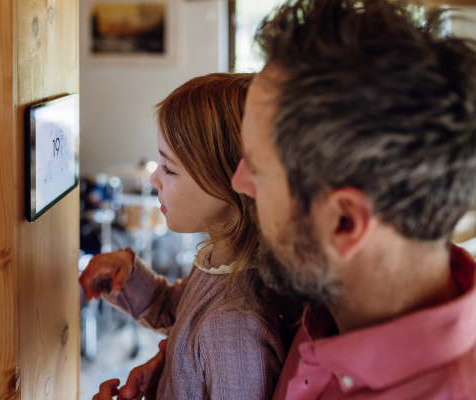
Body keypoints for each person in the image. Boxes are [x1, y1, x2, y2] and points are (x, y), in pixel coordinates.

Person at [97, 0, 476, 398]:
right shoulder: (325, 293)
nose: (238, 184)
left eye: (258, 168)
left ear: (343, 223)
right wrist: (173, 368)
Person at [81, 73, 302, 400]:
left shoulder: (232, 329)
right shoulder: (224, 262)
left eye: (169, 169)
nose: (155, 177)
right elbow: (180, 312)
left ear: (231, 181)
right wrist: (130, 276)